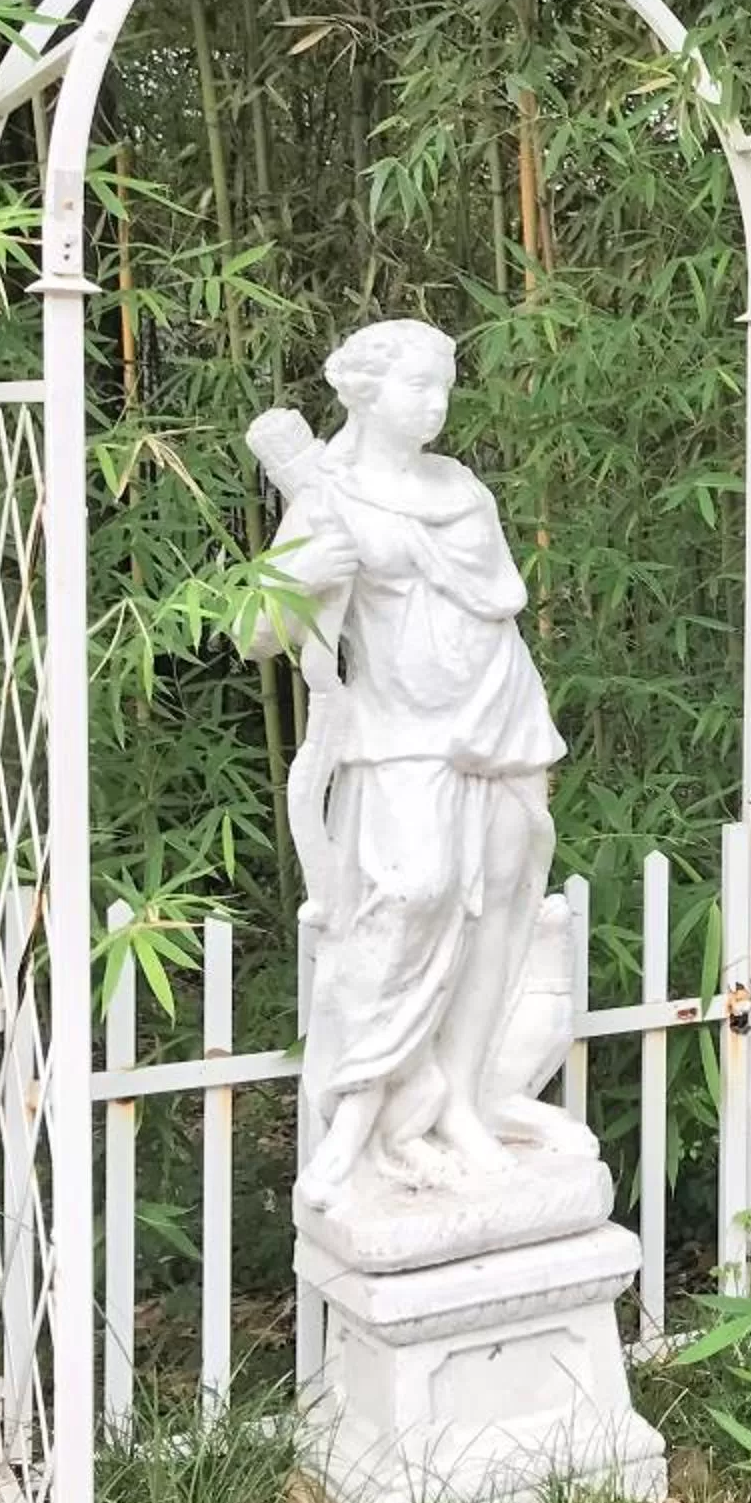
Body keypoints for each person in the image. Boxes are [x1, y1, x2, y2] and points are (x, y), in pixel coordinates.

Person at [240, 319, 586, 1214]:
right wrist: (310, 567)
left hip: (502, 713)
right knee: (415, 897)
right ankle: (366, 1113)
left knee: (501, 907)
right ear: (363, 390)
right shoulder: (328, 495)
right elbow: (255, 634)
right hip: (402, 735)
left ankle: (463, 1102)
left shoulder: (459, 486)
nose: (437, 404)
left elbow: (497, 598)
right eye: (418, 386)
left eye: (445, 385)